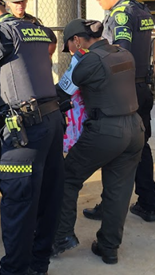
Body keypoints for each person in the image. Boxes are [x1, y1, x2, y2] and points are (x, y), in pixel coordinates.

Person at [0, 0, 64, 275]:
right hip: (53, 121)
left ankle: (14, 270)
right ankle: (39, 265)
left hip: (23, 131)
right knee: (48, 194)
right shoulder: (37, 30)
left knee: (18, 200)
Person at [53, 19, 144, 264]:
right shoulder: (124, 53)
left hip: (106, 131)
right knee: (119, 189)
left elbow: (61, 93)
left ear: (77, 40)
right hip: (135, 128)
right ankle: (109, 248)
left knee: (67, 177)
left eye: (70, 46)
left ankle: (60, 237)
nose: (71, 51)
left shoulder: (88, 61)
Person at [82, 0, 155, 222]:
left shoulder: (120, 14)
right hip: (142, 87)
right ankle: (148, 203)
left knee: (115, 149)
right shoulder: (141, 10)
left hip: (125, 90)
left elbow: (120, 53)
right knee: (140, 145)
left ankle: (109, 206)